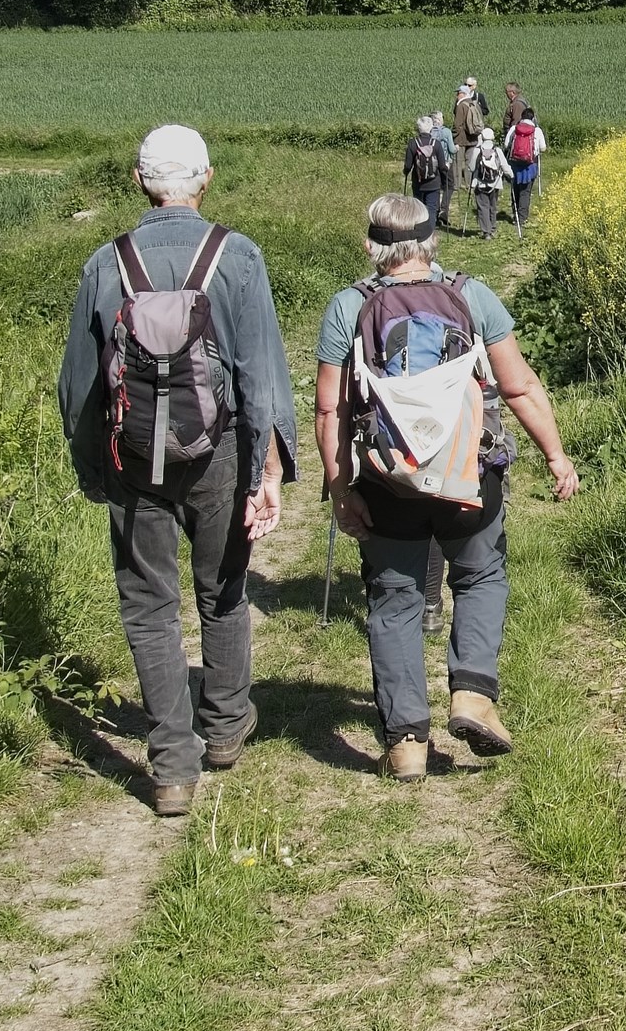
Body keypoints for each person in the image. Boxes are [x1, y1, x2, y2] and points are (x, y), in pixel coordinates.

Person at [55, 125, 294, 817]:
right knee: (223, 590)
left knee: (148, 606)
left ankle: (171, 767)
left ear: (138, 181)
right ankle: (225, 726)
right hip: (219, 452)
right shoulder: (237, 255)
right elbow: (261, 375)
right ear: (207, 179)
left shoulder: (107, 263)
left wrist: (94, 469)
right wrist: (267, 471)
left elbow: (78, 388)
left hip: (132, 459)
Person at [315, 194, 582, 782]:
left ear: (371, 246)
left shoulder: (349, 306)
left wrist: (341, 489)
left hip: (389, 480)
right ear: (433, 242)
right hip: (469, 474)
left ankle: (407, 742)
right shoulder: (471, 295)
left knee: (395, 599)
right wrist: (556, 456)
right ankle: (473, 695)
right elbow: (519, 387)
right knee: (480, 575)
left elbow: (331, 409)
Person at [404, 111, 452, 235]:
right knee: (431, 208)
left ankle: (419, 232)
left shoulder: (413, 143)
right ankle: (429, 234)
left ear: (418, 128)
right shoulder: (436, 144)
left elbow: (408, 166)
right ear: (431, 128)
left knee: (419, 208)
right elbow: (442, 166)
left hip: (418, 182)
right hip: (433, 182)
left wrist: (406, 172)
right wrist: (447, 169)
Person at [464, 121, 513, 239]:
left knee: (482, 206)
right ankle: (492, 228)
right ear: (492, 137)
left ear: (482, 137)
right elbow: (504, 166)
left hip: (480, 183)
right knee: (493, 205)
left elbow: (471, 167)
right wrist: (511, 175)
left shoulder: (477, 150)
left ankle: (486, 232)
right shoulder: (497, 150)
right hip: (495, 183)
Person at [503, 105, 544, 230]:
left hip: (515, 164)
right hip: (530, 165)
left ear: (521, 117)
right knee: (525, 191)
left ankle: (515, 215)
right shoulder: (537, 130)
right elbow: (543, 148)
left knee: (515, 189)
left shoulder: (514, 128)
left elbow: (506, 145)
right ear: (533, 118)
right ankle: (522, 218)